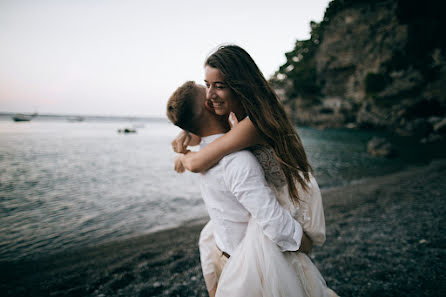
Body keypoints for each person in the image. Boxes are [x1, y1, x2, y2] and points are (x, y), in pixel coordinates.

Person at [170, 45, 337, 297]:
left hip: (293, 200)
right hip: (277, 197)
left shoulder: (253, 124)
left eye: (220, 85)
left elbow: (200, 161)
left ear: (240, 85)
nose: (210, 95)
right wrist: (188, 133)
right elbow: (208, 137)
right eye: (208, 85)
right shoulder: (237, 116)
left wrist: (184, 157)